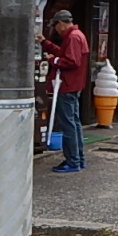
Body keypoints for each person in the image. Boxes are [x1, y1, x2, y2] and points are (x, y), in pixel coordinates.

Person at [40, 9, 90, 172]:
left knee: (68, 125)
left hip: (66, 85)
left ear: (60, 23)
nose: (56, 30)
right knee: (74, 123)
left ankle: (73, 161)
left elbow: (70, 61)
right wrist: (45, 43)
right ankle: (78, 159)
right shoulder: (77, 35)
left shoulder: (73, 37)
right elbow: (65, 54)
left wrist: (53, 60)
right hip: (74, 85)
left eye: (55, 26)